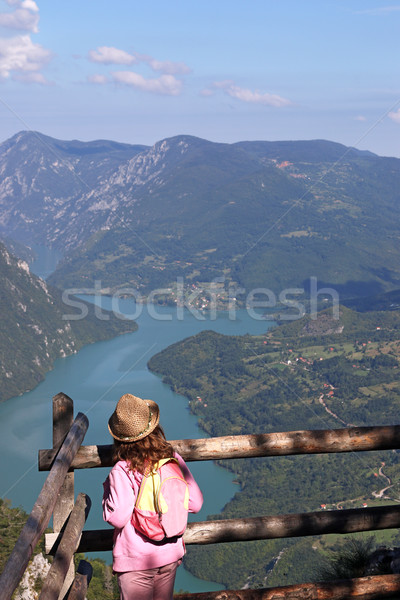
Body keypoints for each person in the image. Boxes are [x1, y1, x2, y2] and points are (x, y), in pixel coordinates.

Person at [103, 393, 203, 600]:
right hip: (169, 555)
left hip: (136, 561)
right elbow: (195, 502)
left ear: (119, 439)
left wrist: (106, 498)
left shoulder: (122, 469)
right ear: (154, 428)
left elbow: (118, 517)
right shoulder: (171, 458)